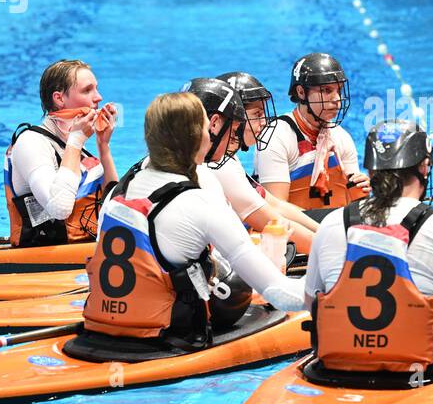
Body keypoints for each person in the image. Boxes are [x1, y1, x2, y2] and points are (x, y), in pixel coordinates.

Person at [75, 91, 305, 360]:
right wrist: (331, 289)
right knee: (237, 283)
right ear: (198, 137)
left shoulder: (116, 194)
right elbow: (281, 296)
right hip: (167, 336)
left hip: (100, 327)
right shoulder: (199, 201)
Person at [301, 118, 433, 382]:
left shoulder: (331, 224)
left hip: (336, 372)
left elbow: (312, 305)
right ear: (424, 166)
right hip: (422, 373)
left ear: (371, 172)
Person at [5, 59, 119, 248]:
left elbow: (114, 204)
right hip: (42, 255)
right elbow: (59, 209)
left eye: (96, 89)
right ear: (59, 99)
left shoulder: (76, 144)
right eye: (87, 90)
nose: (98, 97)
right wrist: (76, 141)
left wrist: (103, 145)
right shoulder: (31, 143)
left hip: (85, 245)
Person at [215, 70, 322, 248]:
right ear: (234, 119)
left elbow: (276, 205)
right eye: (257, 115)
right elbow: (274, 222)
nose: (264, 122)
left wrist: (324, 230)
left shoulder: (229, 160)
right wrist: (334, 247)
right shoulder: (219, 167)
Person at [256, 52, 369, 209]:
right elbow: (276, 211)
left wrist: (359, 189)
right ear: (301, 92)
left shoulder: (340, 137)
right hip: (295, 229)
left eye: (339, 90)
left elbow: (353, 205)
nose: (336, 99)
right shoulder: (276, 137)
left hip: (331, 227)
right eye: (327, 90)